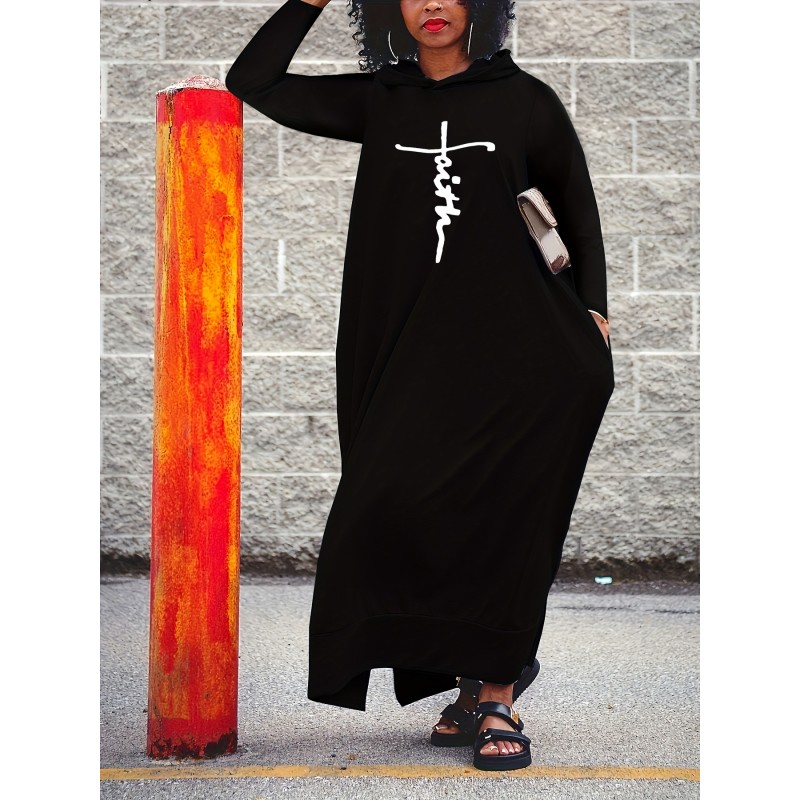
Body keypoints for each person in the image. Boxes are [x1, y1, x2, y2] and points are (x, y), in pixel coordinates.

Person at [226, 0, 614, 771]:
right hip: (410, 357)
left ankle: (495, 695)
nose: (433, 3)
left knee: (506, 520)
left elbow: (575, 203)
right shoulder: (381, 100)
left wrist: (595, 311)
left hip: (521, 354)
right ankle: (474, 673)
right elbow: (254, 81)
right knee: (392, 507)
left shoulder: (524, 100)